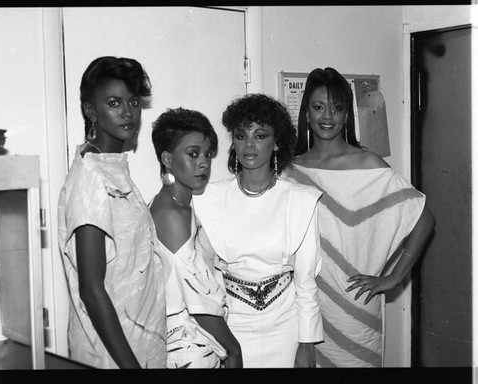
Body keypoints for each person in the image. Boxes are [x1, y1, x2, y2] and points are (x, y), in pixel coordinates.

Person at [285, 67, 436, 367]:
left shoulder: (369, 165)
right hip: (305, 309)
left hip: (356, 309)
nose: (327, 116)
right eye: (318, 107)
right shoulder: (291, 172)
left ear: (346, 115)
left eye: (337, 108)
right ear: (306, 114)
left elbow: (424, 218)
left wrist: (393, 278)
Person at [193, 94, 323, 368]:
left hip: (285, 327)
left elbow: (306, 280)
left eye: (260, 135)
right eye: (241, 136)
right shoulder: (209, 198)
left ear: (276, 142)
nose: (249, 144)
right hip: (231, 326)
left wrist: (307, 343)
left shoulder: (300, 199)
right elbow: (200, 277)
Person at [58, 56, 166, 369]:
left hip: (137, 343)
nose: (128, 112)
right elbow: (91, 289)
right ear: (91, 111)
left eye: (133, 101)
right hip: (112, 356)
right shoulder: (91, 177)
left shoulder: (111, 168)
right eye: (114, 102)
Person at [149, 107, 243, 368]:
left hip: (199, 345)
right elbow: (200, 305)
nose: (203, 163)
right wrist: (234, 350)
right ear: (167, 158)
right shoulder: (170, 214)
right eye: (193, 154)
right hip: (188, 351)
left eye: (207, 155)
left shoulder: (178, 205)